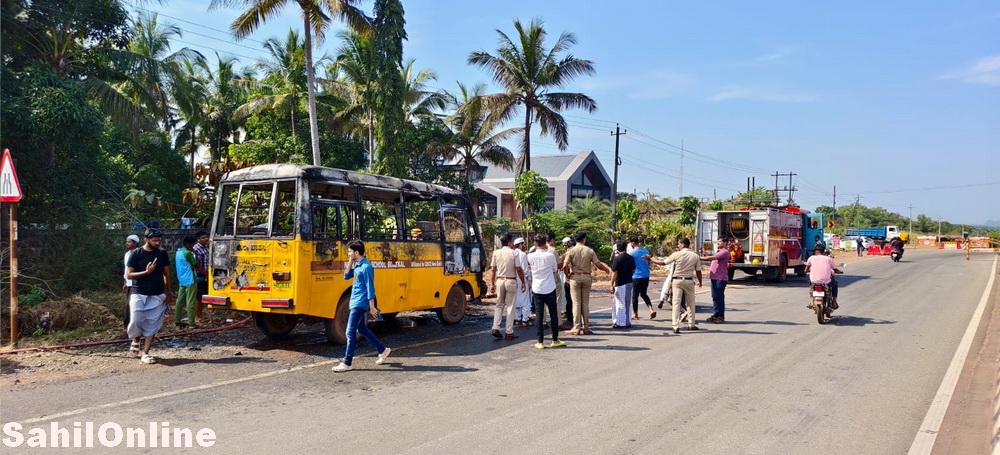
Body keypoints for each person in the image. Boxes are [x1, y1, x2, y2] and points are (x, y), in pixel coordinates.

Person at [333, 240, 392, 372]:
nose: (348, 253)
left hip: (360, 302)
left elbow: (370, 287)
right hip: (354, 300)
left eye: (350, 251)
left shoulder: (366, 267)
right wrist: (350, 260)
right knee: (362, 328)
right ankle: (383, 349)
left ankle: (347, 363)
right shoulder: (358, 265)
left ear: (357, 252)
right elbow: (346, 276)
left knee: (349, 331)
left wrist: (372, 306)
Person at [125, 229, 174, 364]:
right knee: (136, 319)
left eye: (159, 240)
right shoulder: (136, 253)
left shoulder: (162, 253)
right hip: (138, 292)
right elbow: (129, 275)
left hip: (157, 294)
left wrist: (168, 292)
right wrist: (146, 272)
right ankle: (135, 338)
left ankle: (145, 353)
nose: (158, 242)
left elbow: (166, 274)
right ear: (146, 239)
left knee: (152, 324)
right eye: (154, 240)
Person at [562, 232, 612, 335]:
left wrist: (568, 275)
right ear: (584, 239)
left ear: (575, 240)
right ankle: (586, 327)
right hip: (586, 277)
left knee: (576, 303)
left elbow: (565, 265)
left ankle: (576, 327)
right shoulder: (589, 250)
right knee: (585, 303)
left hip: (575, 277)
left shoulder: (571, 251)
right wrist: (607, 270)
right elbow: (598, 264)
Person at [526, 235, 566, 349]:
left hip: (537, 288)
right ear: (545, 243)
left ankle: (540, 342)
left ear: (535, 243)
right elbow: (555, 269)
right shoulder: (550, 255)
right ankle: (555, 340)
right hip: (549, 287)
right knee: (553, 314)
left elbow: (529, 268)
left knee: (539, 315)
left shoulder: (530, 256)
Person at [661, 237, 703, 335]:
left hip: (677, 280)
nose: (678, 246)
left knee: (676, 303)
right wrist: (700, 282)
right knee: (691, 303)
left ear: (683, 244)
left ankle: (675, 326)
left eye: (679, 244)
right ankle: (691, 324)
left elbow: (663, 262)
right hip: (689, 281)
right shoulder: (695, 256)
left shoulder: (676, 254)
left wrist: (650, 259)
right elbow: (698, 271)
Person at [490, 233, 525, 340]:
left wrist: (492, 284)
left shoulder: (496, 252)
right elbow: (518, 269)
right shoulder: (514, 253)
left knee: (499, 305)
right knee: (510, 306)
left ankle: (495, 326)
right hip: (511, 280)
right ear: (510, 242)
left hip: (499, 280)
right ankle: (509, 332)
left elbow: (493, 269)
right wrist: (523, 282)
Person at [805, 244, 843, 311]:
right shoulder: (828, 259)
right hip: (826, 281)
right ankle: (834, 301)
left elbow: (806, 269)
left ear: (815, 251)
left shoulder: (811, 258)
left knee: (811, 285)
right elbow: (835, 269)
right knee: (834, 284)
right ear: (823, 251)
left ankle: (811, 301)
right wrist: (840, 272)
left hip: (814, 281)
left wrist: (807, 270)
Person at [700, 238, 730, 323]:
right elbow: (711, 257)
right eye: (718, 241)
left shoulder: (725, 252)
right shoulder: (719, 251)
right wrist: (704, 254)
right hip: (715, 278)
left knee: (719, 297)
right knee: (715, 297)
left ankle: (720, 316)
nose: (718, 243)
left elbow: (712, 258)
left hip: (720, 278)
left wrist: (700, 258)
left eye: (720, 241)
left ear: (725, 243)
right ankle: (716, 314)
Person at [628, 237, 657, 320]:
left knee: (635, 296)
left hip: (636, 276)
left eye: (631, 243)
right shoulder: (646, 251)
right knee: (644, 294)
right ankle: (651, 309)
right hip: (645, 276)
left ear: (633, 243)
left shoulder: (631, 253)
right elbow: (649, 262)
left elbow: (630, 264)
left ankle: (635, 314)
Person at [174, 236, 199, 328]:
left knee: (179, 301)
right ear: (189, 244)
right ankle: (192, 323)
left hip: (182, 279)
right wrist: (195, 252)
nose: (194, 246)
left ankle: (177, 320)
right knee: (190, 301)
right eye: (193, 244)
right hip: (190, 279)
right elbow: (195, 264)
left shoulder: (178, 252)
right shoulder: (188, 253)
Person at [610, 241, 636, 328]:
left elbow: (614, 273)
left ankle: (620, 323)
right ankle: (627, 322)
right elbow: (633, 270)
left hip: (620, 283)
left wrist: (611, 284)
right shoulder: (631, 258)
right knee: (628, 303)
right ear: (625, 248)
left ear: (617, 249)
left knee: (620, 303)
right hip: (629, 282)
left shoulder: (617, 258)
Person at [122, 234, 140, 338]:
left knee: (134, 305)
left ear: (135, 243)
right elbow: (126, 269)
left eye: (129, 242)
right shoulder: (127, 254)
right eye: (127, 241)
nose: (127, 243)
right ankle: (127, 325)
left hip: (138, 283)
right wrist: (125, 282)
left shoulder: (139, 253)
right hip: (129, 283)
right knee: (128, 304)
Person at [512, 237, 533, 326]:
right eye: (523, 244)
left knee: (517, 300)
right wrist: (528, 280)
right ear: (520, 245)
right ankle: (525, 319)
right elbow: (525, 269)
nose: (524, 246)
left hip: (514, 278)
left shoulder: (512, 253)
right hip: (522, 278)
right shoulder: (522, 254)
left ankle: (517, 319)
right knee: (525, 300)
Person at [192, 230, 210, 323]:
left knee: (203, 296)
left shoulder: (206, 247)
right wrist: (204, 273)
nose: (206, 239)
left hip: (206, 274)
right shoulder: (196, 249)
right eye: (203, 238)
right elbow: (196, 265)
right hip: (200, 275)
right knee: (199, 297)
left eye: (206, 237)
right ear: (198, 240)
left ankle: (201, 315)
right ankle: (197, 317)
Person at [560, 236, 575, 329]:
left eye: (565, 245)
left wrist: (567, 276)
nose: (565, 247)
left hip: (570, 279)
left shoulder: (568, 252)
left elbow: (564, 265)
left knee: (569, 301)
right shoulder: (581, 250)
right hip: (580, 278)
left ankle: (570, 320)